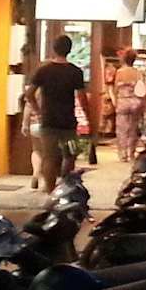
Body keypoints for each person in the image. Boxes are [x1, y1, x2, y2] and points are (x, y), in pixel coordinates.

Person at [24, 35, 92, 195]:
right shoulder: (75, 72)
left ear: (54, 49)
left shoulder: (43, 70)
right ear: (70, 50)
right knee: (70, 155)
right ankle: (65, 185)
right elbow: (82, 97)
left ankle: (50, 190)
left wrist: (38, 111)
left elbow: (29, 94)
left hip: (48, 121)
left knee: (49, 157)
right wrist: (88, 117)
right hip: (68, 122)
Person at [109, 48, 145, 162]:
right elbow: (142, 90)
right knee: (133, 128)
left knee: (122, 129)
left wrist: (115, 101)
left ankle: (123, 154)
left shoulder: (120, 72)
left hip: (123, 101)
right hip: (135, 102)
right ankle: (131, 153)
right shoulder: (138, 73)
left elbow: (116, 89)